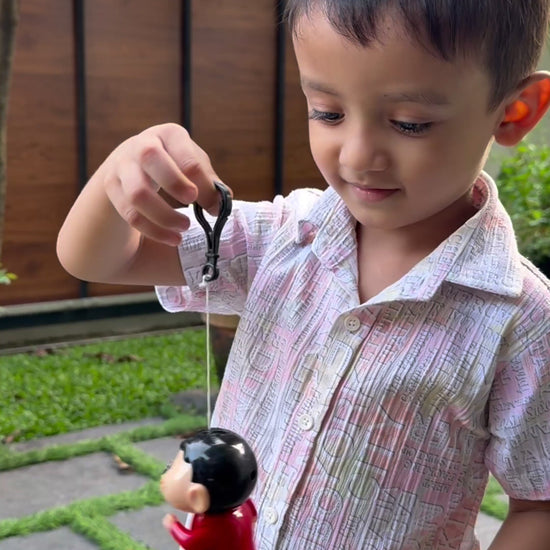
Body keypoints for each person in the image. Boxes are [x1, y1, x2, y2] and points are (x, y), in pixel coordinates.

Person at [57, 1, 550, 548]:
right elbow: (101, 259)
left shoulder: (521, 320)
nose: (357, 156)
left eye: (410, 123)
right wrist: (121, 167)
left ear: (514, 112)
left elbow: (539, 502)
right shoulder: (281, 238)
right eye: (328, 113)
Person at [161, 428, 258, 550]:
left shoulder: (212, 528)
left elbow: (191, 542)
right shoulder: (244, 506)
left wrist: (173, 526)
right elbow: (253, 516)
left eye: (173, 467)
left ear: (197, 497)